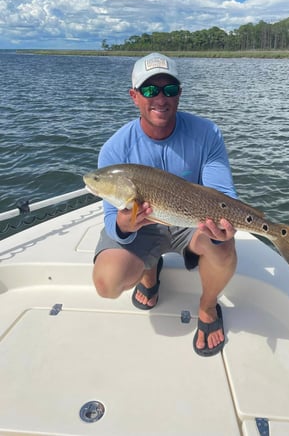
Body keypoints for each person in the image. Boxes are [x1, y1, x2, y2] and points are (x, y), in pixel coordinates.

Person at [93, 52, 237, 356]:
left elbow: (221, 191)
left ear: (179, 94)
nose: (160, 97)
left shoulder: (206, 133)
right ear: (134, 96)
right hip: (143, 222)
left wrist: (221, 226)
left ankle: (208, 307)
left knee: (222, 247)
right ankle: (150, 269)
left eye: (169, 89)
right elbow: (110, 216)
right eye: (149, 90)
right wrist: (122, 225)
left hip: (191, 222)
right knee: (107, 282)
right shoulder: (114, 149)